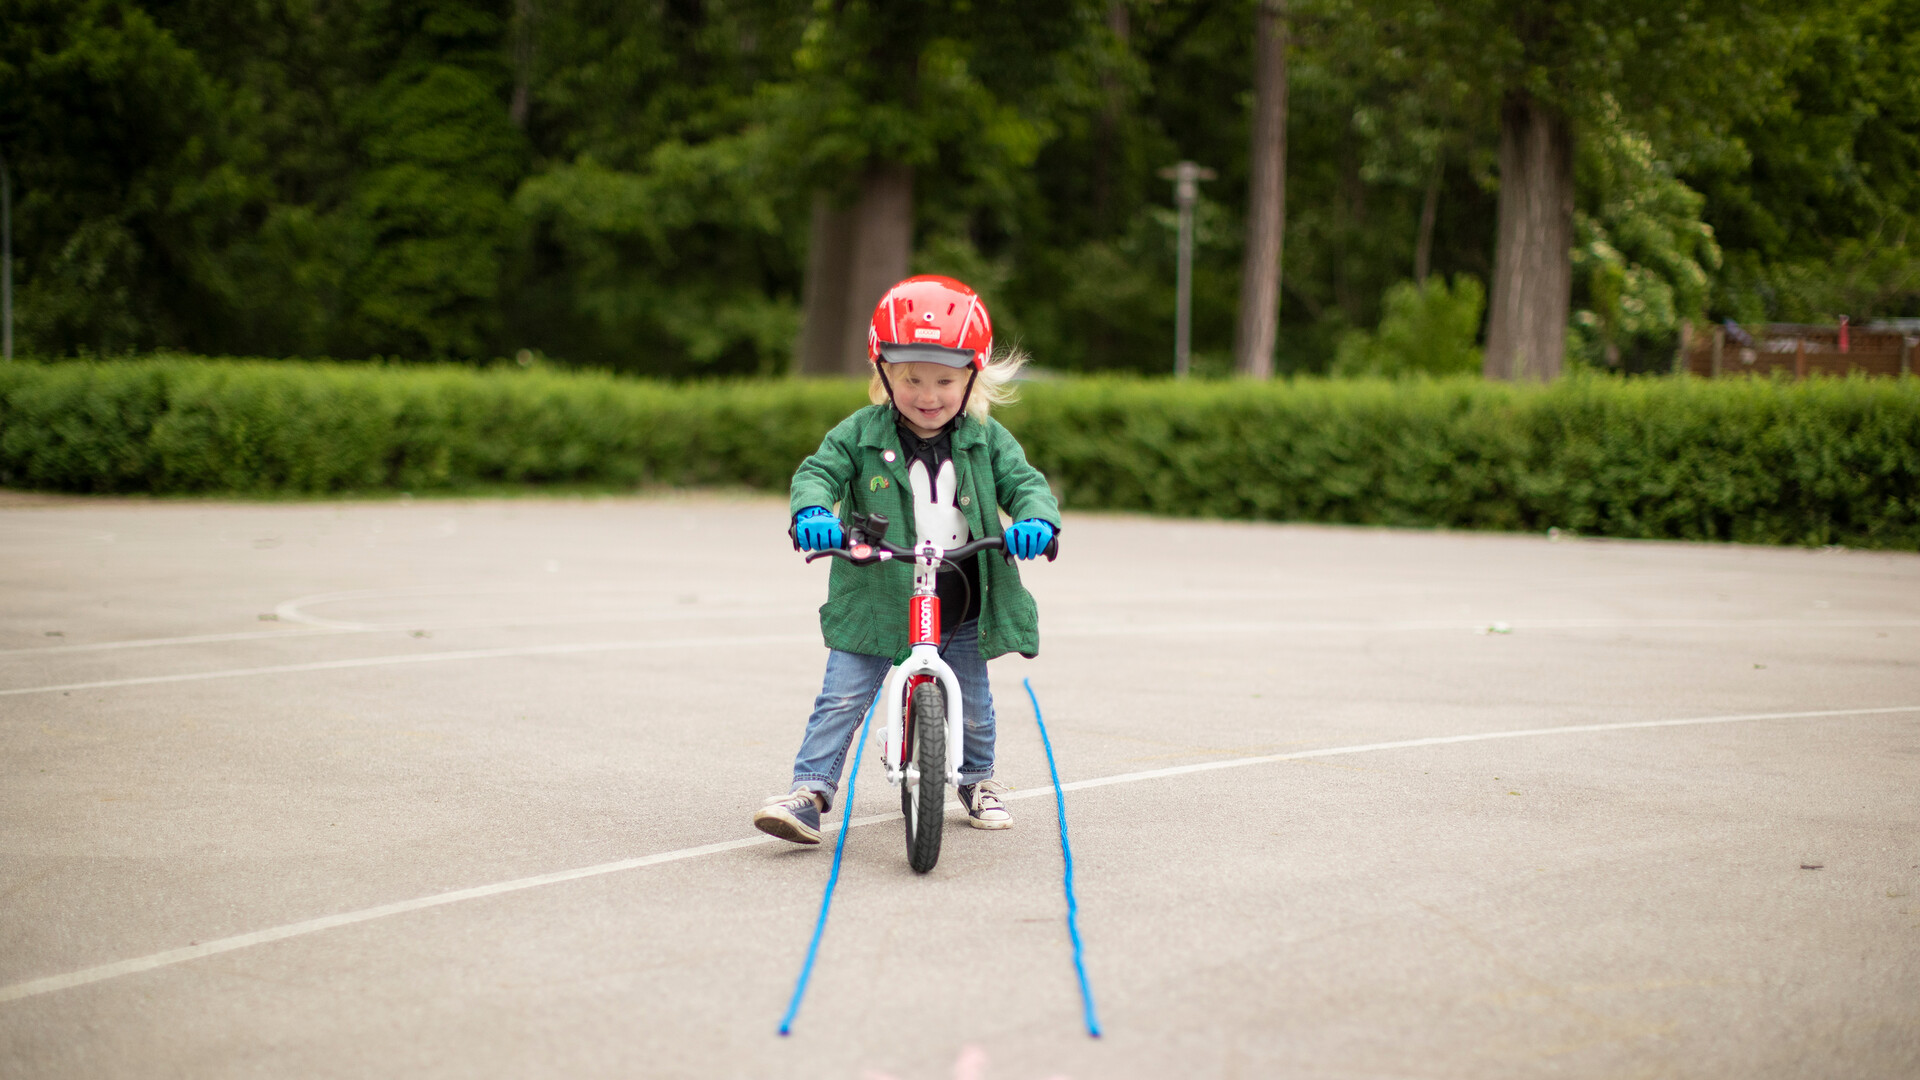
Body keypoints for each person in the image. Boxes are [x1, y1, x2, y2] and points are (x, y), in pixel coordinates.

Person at [753, 275, 1061, 845]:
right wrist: (814, 513)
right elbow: (818, 473)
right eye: (911, 378)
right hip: (878, 589)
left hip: (964, 592)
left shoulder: (986, 437)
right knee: (842, 695)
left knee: (972, 696)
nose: (928, 394)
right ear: (883, 373)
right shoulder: (860, 433)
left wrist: (1036, 522)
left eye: (945, 380)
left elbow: (1024, 483)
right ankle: (810, 793)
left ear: (973, 377)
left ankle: (977, 780)